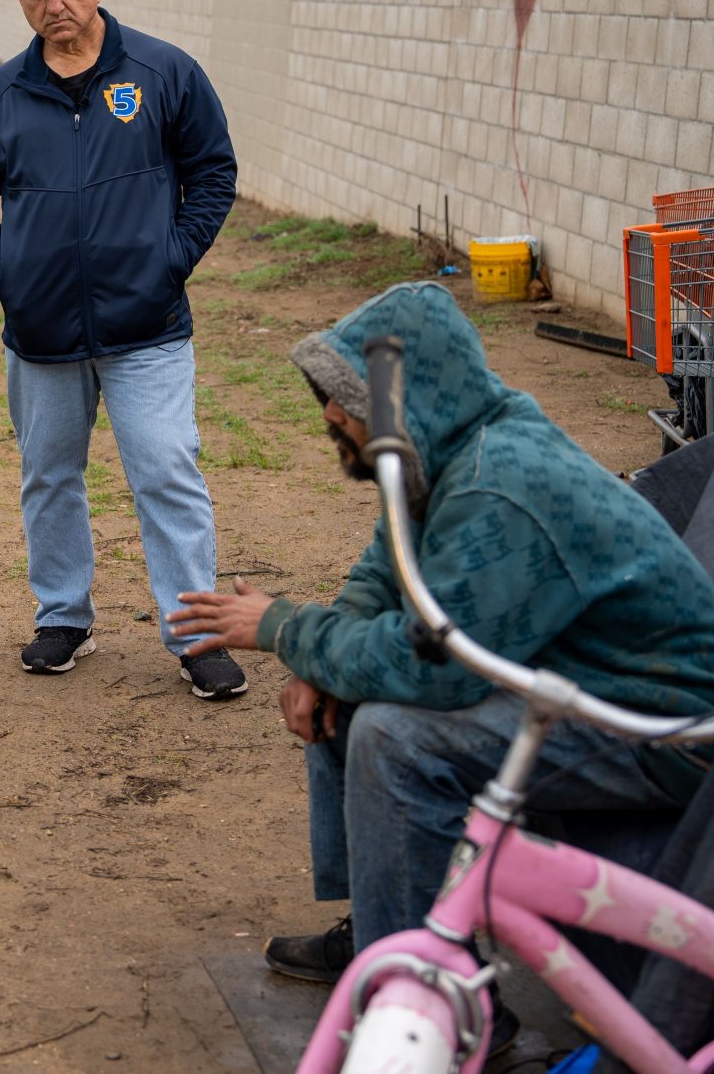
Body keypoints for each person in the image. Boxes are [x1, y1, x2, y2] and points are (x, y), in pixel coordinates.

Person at [172, 281, 714, 1050]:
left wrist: (288, 629)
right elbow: (386, 564)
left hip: (667, 727)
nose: (330, 414)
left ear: (405, 400)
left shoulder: (500, 484)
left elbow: (435, 670)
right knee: (352, 693)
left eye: (347, 398)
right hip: (591, 688)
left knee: (397, 735)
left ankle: (452, 1016)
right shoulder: (455, 448)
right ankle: (387, 937)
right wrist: (319, 656)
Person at [0, 0, 242, 699]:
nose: (54, 2)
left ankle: (196, 633)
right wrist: (8, 272)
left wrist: (168, 261)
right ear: (19, 1)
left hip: (146, 328)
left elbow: (213, 170)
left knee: (168, 471)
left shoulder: (164, 71)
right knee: (49, 475)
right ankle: (63, 617)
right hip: (41, 332)